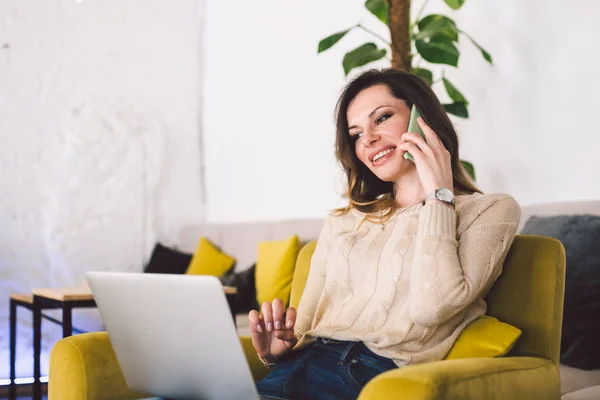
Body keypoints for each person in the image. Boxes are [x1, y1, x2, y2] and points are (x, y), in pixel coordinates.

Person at [248, 68, 521, 400]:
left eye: (381, 118)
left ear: (422, 116)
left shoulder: (491, 210)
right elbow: (305, 329)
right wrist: (277, 351)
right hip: (293, 368)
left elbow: (433, 307)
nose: (369, 140)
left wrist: (438, 195)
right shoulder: (343, 222)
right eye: (356, 134)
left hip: (369, 376)